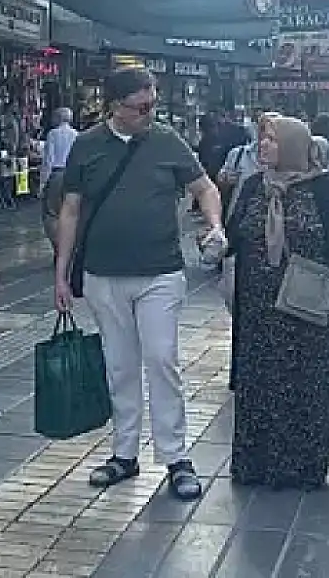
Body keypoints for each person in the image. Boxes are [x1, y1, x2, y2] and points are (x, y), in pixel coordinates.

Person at [53, 67, 221, 502]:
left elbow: (205, 187)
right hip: (103, 274)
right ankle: (123, 454)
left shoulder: (167, 141)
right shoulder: (86, 146)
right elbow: (69, 211)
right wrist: (61, 271)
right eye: (141, 107)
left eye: (153, 105)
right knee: (120, 365)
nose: (150, 114)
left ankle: (176, 457)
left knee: (162, 359)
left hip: (160, 271)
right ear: (114, 106)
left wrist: (214, 224)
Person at [224, 116, 329, 490]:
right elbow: (234, 233)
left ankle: (302, 467)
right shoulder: (255, 185)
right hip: (258, 306)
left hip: (310, 306)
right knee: (260, 382)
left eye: (271, 140)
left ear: (293, 145)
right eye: (261, 140)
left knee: (306, 384)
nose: (263, 146)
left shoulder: (324, 186)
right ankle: (256, 464)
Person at [41, 107, 79, 242]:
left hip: (57, 174)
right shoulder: (76, 135)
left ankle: (57, 245)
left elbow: (48, 160)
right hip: (72, 175)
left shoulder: (53, 134)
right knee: (70, 211)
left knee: (52, 213)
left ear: (58, 118)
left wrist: (43, 183)